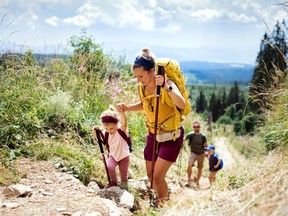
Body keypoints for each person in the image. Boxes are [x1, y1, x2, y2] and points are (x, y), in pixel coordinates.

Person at [117, 48, 186, 207]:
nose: (139, 79)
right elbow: (145, 104)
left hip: (171, 136)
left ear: (152, 71)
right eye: (136, 76)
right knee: (150, 174)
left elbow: (181, 103)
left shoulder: (167, 83)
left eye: (141, 75)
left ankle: (163, 206)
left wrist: (166, 87)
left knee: (158, 176)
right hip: (153, 134)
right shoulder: (141, 88)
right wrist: (127, 108)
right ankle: (158, 202)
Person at [92, 105, 131, 189]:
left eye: (111, 128)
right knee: (109, 166)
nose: (109, 131)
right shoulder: (106, 133)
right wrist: (95, 131)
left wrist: (122, 113)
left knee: (123, 175)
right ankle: (113, 182)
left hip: (124, 156)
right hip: (113, 155)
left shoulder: (121, 130)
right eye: (106, 128)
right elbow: (96, 137)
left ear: (117, 124)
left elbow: (124, 123)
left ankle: (124, 183)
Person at [184, 121, 208, 187]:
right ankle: (188, 181)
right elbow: (184, 140)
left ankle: (197, 182)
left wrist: (206, 150)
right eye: (194, 127)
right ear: (193, 127)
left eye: (197, 127)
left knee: (200, 168)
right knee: (189, 164)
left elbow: (206, 145)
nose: (196, 128)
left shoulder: (203, 136)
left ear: (199, 127)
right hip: (193, 153)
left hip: (201, 154)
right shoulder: (190, 135)